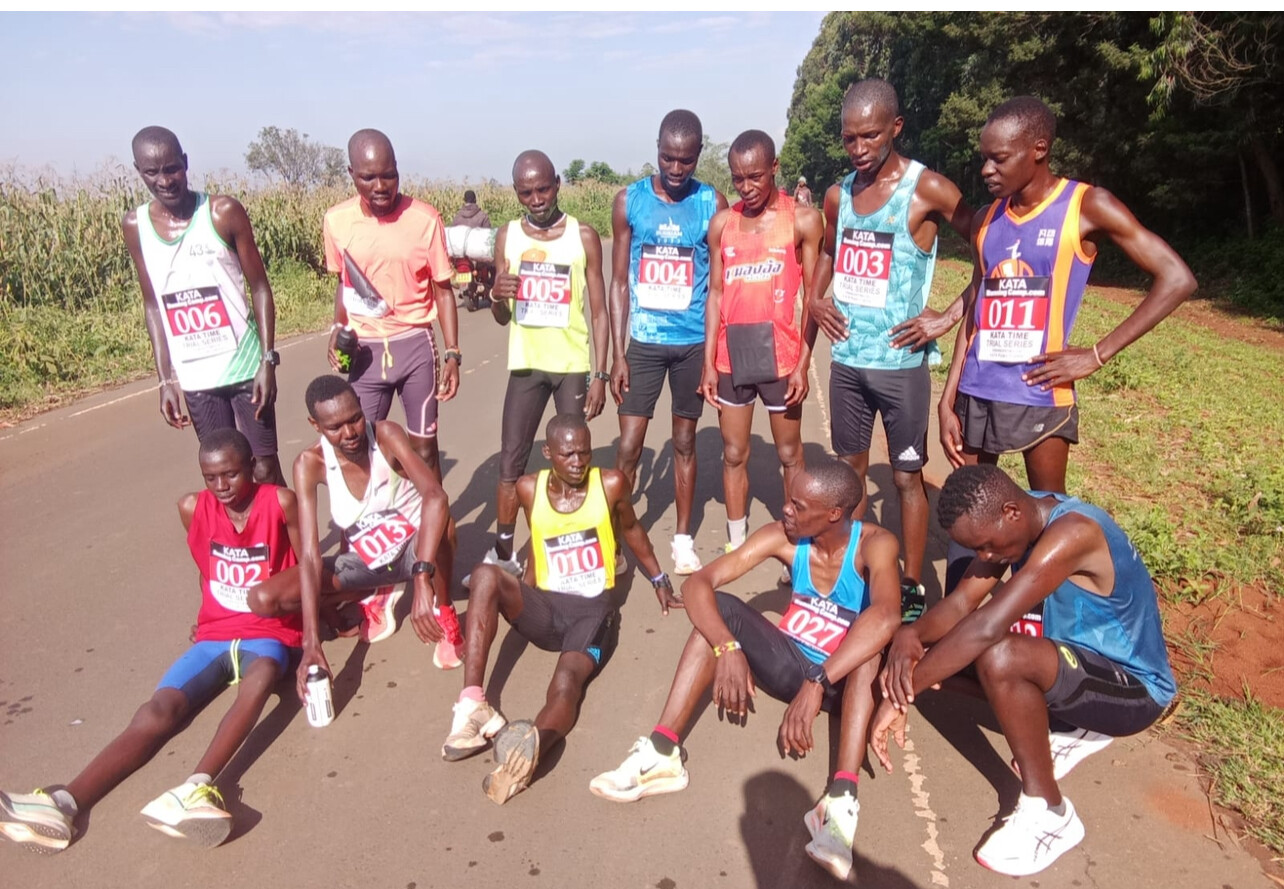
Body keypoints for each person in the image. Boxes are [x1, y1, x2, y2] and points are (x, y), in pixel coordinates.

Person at [590, 460, 901, 882]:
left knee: (870, 651)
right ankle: (662, 753)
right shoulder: (784, 537)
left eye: (798, 505)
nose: (786, 509)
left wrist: (819, 680)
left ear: (833, 514)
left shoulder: (875, 544)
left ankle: (840, 804)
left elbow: (886, 616)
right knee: (719, 611)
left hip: (840, 680)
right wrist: (727, 646)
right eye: (789, 499)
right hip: (791, 663)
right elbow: (698, 583)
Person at [0, 430, 303, 851]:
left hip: (269, 632)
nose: (221, 486)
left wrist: (314, 640)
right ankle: (64, 803)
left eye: (231, 474)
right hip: (215, 634)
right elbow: (206, 567)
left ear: (252, 467)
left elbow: (307, 569)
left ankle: (196, 788)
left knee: (262, 675)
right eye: (210, 477)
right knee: (157, 711)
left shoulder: (280, 502)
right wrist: (209, 615)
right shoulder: (192, 507)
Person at [870, 464, 1178, 876]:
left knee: (1000, 657)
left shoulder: (1073, 533)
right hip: (1075, 663)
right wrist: (912, 635)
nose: (986, 558)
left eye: (987, 547)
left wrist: (901, 694)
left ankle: (1050, 812)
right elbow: (962, 603)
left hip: (1136, 690)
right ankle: (1071, 724)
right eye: (978, 550)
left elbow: (986, 626)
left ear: (1011, 512)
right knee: (944, 654)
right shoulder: (1018, 516)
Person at [939, 96, 1196, 497]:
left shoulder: (1086, 206)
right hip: (976, 389)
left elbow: (1177, 278)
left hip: (1042, 391)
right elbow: (977, 307)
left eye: (999, 159)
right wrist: (948, 395)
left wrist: (1095, 355)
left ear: (1039, 149)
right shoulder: (985, 219)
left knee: (1049, 512)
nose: (987, 169)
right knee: (969, 511)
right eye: (984, 158)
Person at [441, 414, 679, 805]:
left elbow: (632, 529)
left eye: (585, 452)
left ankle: (529, 752)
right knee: (485, 575)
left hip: (592, 612)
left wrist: (658, 578)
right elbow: (536, 539)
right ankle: (472, 704)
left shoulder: (611, 484)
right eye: (568, 454)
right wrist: (523, 590)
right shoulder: (527, 488)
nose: (578, 462)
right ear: (549, 453)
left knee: (567, 683)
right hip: (547, 606)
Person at [808, 79, 973, 624]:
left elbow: (993, 247)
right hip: (847, 364)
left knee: (906, 478)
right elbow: (828, 251)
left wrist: (947, 316)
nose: (858, 149)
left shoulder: (927, 189)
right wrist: (814, 298)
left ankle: (911, 584)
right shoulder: (838, 195)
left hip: (901, 367)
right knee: (848, 475)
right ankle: (853, 572)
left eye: (871, 136)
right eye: (849, 138)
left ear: (896, 128)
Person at [471, 150, 610, 580]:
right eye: (526, 192)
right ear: (516, 192)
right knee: (511, 463)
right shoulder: (508, 236)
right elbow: (502, 315)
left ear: (558, 184)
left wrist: (600, 375)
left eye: (543, 189)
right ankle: (504, 552)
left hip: (571, 365)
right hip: (527, 366)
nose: (536, 200)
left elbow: (600, 312)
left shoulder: (583, 236)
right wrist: (497, 295)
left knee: (573, 462)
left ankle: (575, 548)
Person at [122, 126, 286, 486]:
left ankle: (289, 527)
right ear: (138, 171)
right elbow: (153, 306)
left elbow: (260, 287)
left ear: (185, 162)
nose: (165, 180)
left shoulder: (222, 212)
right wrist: (165, 379)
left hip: (245, 366)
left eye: (172, 168)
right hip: (196, 376)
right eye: (152, 172)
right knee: (226, 474)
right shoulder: (135, 226)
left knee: (264, 468)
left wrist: (267, 360)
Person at [610, 109, 727, 576]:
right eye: (667, 158)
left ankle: (682, 539)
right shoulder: (630, 201)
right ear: (656, 149)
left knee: (684, 442)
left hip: (691, 343)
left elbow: (718, 283)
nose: (676, 169)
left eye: (686, 160)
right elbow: (619, 283)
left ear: (698, 154)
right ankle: (615, 534)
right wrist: (617, 354)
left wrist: (712, 355)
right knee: (629, 446)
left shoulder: (711, 203)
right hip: (644, 342)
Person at [284, 375, 463, 679]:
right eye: (335, 427)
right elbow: (310, 556)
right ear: (316, 425)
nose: (350, 433)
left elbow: (436, 496)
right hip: (368, 560)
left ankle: (444, 610)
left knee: (443, 526)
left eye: (355, 419)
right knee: (269, 597)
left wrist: (422, 577)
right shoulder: (308, 464)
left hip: (416, 552)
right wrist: (311, 641)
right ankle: (377, 590)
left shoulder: (385, 435)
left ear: (361, 406)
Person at [702, 130, 824, 556]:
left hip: (781, 357)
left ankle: (799, 544)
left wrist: (803, 363)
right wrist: (707, 363)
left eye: (755, 176)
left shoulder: (803, 220)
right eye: (738, 178)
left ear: (775, 168)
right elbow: (715, 293)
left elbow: (812, 298)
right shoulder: (723, 224)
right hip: (731, 356)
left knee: (790, 454)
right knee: (734, 452)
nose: (746, 187)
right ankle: (738, 542)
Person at [322, 129, 461, 476]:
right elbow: (344, 283)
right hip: (364, 352)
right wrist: (338, 328)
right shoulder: (336, 221)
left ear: (398, 168)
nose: (380, 186)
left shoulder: (425, 219)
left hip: (415, 347)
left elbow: (443, 290)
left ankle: (435, 511)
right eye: (368, 178)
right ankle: (380, 511)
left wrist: (452, 353)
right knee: (360, 448)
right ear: (352, 174)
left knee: (424, 449)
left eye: (389, 175)